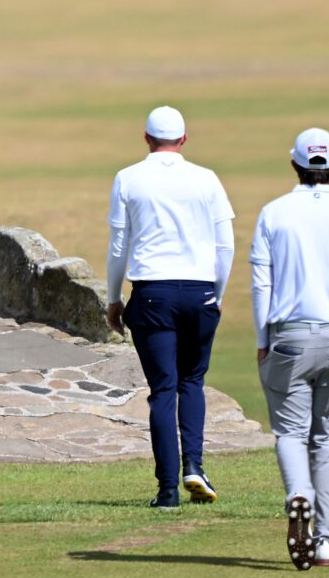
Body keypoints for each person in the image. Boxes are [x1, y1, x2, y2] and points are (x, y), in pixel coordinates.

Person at [251, 128, 329, 570]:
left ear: (294, 165)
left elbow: (261, 285)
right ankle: (325, 541)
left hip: (287, 337)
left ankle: (297, 495)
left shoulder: (273, 213)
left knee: (290, 432)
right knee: (325, 439)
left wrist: (262, 341)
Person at [105, 105, 235, 508]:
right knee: (192, 382)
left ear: (145, 138)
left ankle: (166, 491)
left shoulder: (128, 178)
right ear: (184, 139)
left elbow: (118, 247)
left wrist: (113, 298)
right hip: (199, 293)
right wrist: (217, 294)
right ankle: (193, 465)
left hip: (152, 294)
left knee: (162, 390)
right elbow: (225, 245)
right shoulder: (206, 179)